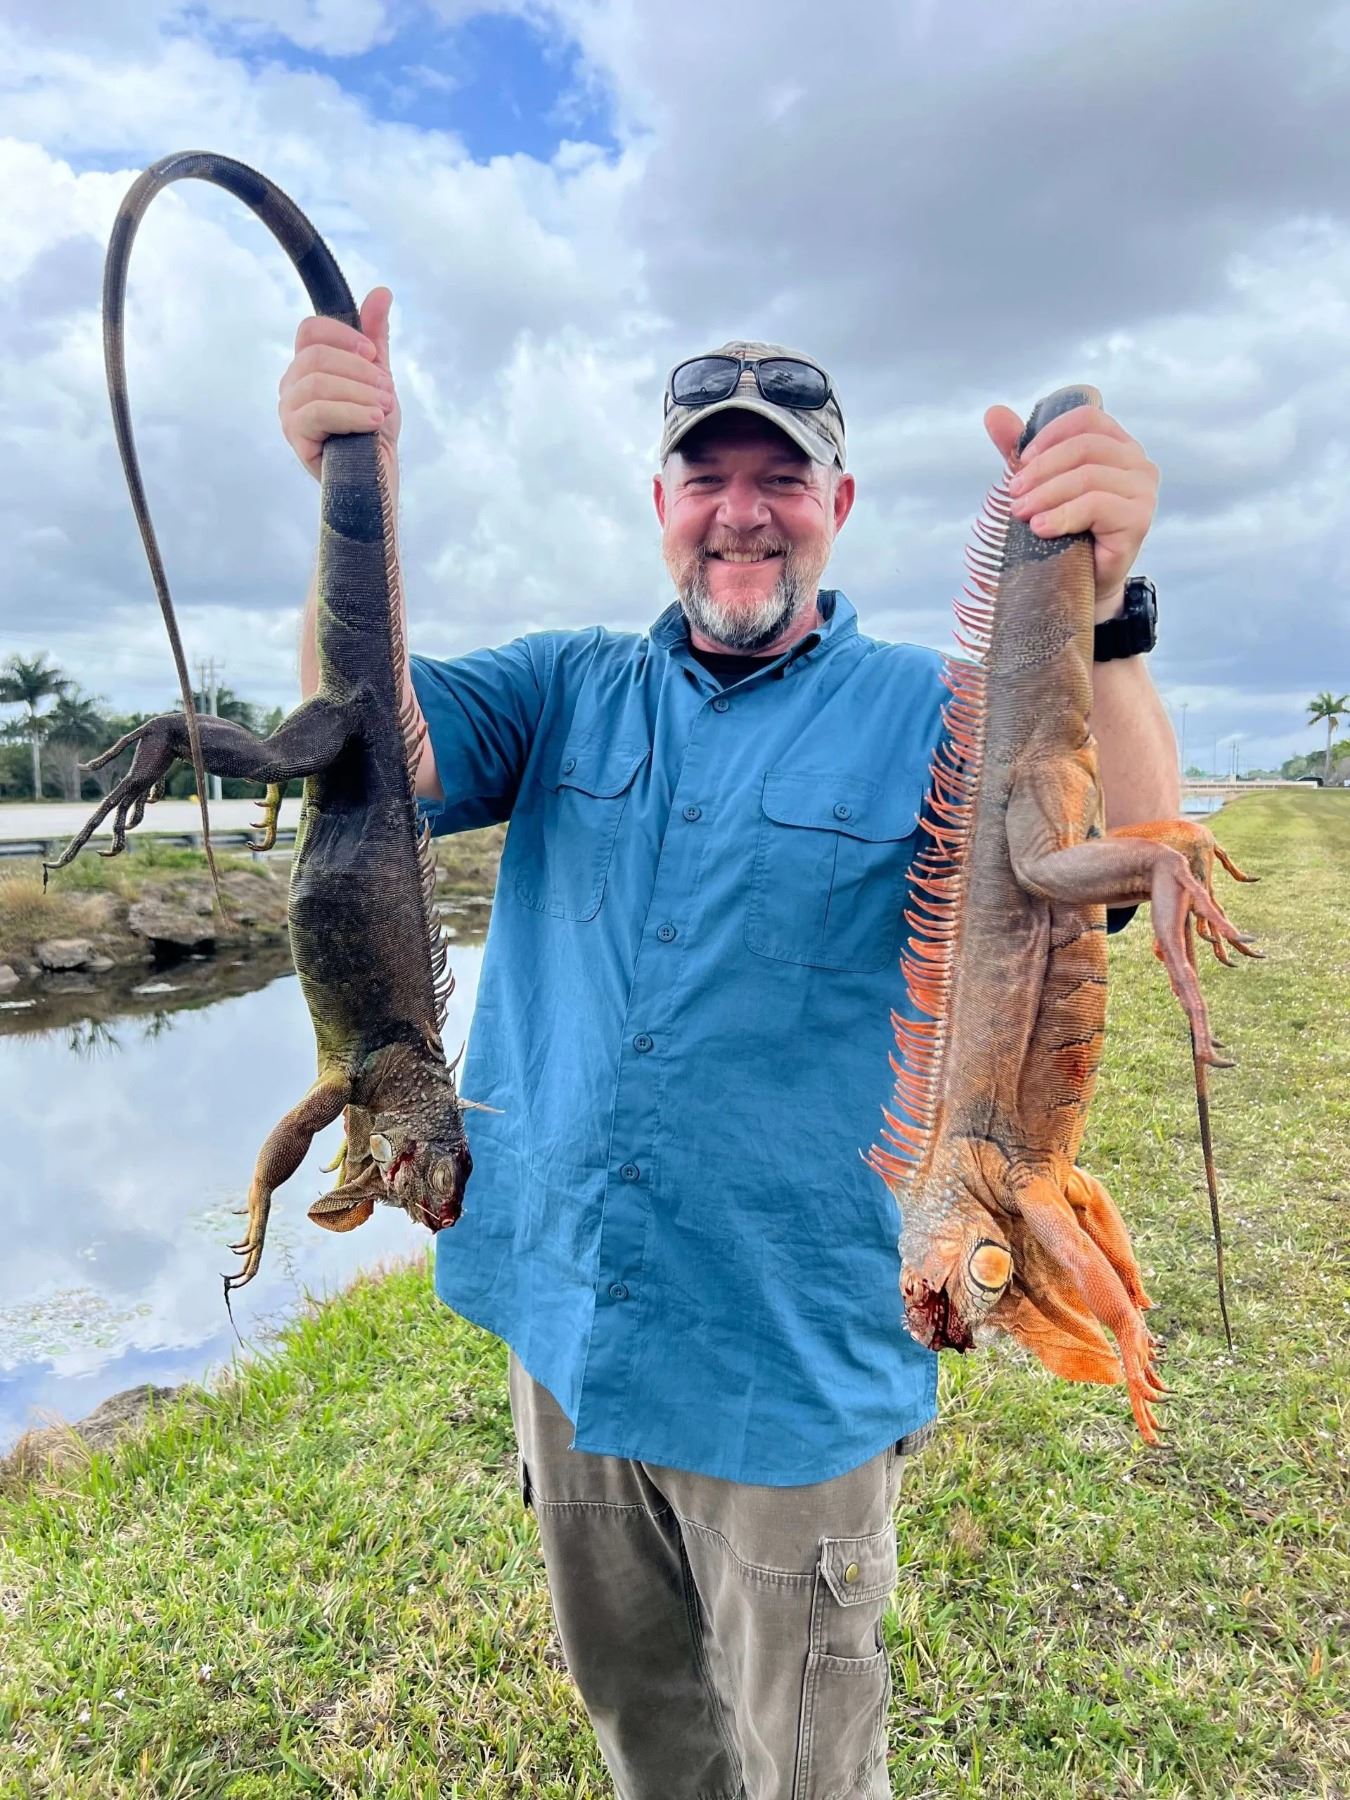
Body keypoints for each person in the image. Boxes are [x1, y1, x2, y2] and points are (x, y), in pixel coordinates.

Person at [279, 287, 1175, 1799]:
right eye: (707, 477)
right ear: (660, 506)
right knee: (644, 1730)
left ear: (839, 506)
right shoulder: (560, 687)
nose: (741, 515)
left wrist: (1109, 605)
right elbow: (358, 736)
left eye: (780, 480)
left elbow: (1126, 852)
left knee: (806, 1763)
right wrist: (342, 494)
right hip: (571, 1329)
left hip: (786, 1358)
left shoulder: (933, 711)